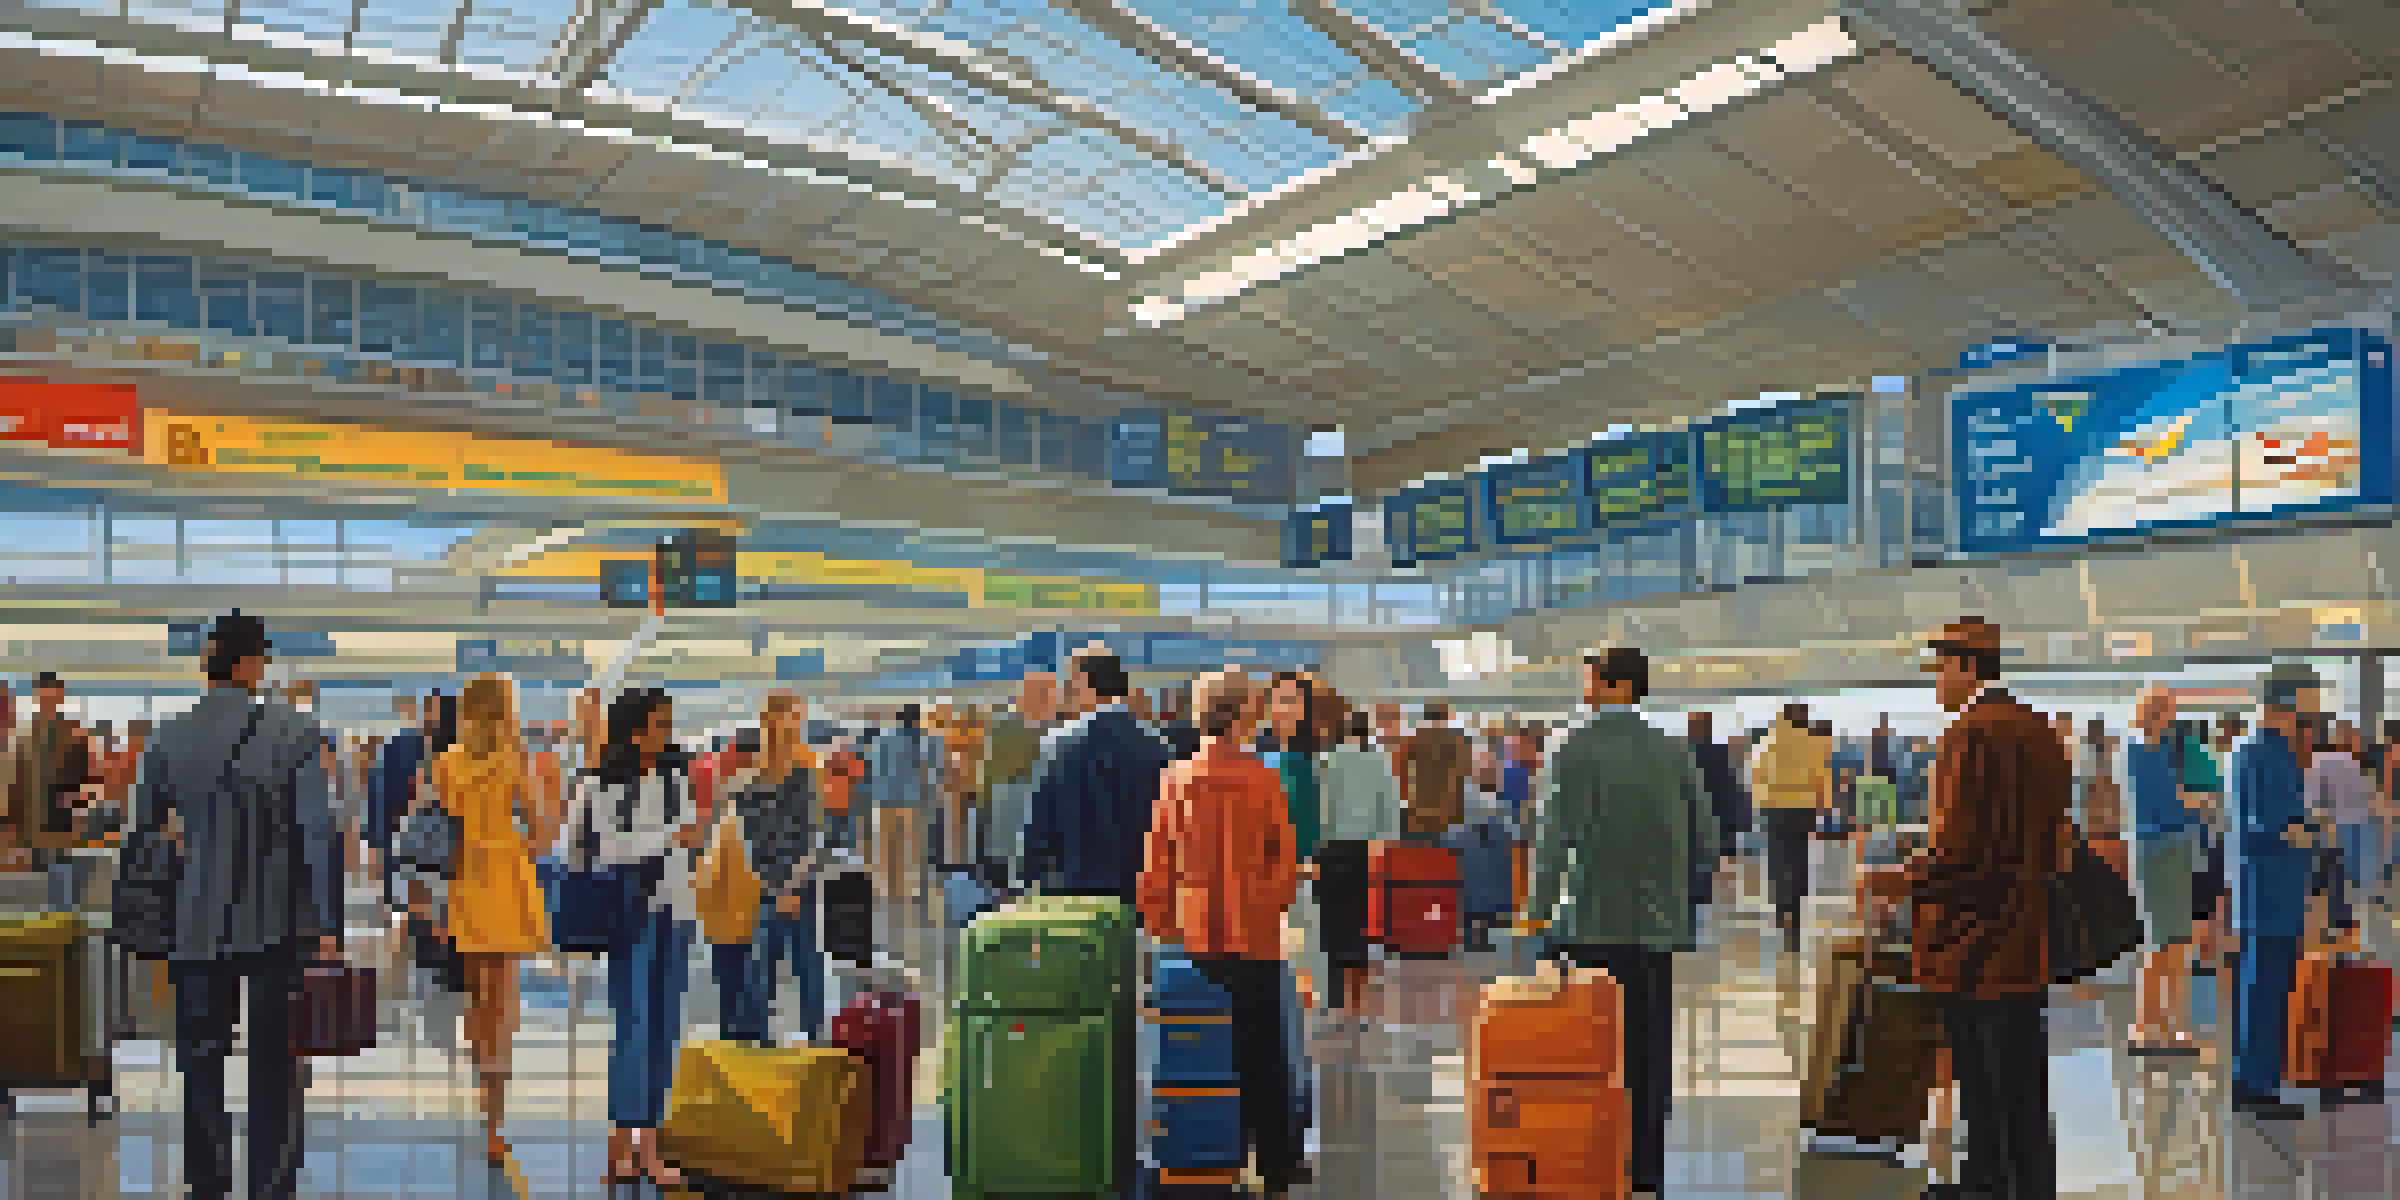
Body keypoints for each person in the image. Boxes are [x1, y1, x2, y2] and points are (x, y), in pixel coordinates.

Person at [135, 611, 341, 1200]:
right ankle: (270, 1184)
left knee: (201, 1055)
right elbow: (317, 831)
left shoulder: (167, 737)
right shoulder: (296, 732)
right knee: (276, 1058)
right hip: (280, 920)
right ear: (251, 663)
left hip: (196, 917)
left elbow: (146, 829)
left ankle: (208, 1178)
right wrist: (328, 921)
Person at [1865, 617, 2068, 1200]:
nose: (1936, 684)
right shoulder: (2038, 728)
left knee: (1980, 1071)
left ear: (1964, 667)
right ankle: (2021, 1183)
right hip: (2025, 932)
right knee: (2022, 1076)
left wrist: (1895, 881)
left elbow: (1956, 851)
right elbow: (2056, 836)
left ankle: (1987, 1184)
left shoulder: (1969, 733)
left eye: (1939, 670)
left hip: (1972, 938)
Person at [1522, 648, 1716, 1197]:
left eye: (1590, 678)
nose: (1583, 688)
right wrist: (1682, 896)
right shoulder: (1673, 749)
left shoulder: (1571, 745)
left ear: (1615, 685)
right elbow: (1705, 833)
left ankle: (1602, 1158)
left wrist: (1537, 913)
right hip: (1658, 925)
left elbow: (1552, 839)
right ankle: (1647, 1168)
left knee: (1597, 1046)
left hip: (1591, 918)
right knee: (1652, 1045)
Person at [1137, 669, 1304, 1200]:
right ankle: (1274, 1166)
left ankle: (1198, 1153)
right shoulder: (1264, 780)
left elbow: (1156, 866)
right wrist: (1266, 908)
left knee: (1194, 1049)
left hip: (1193, 939)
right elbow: (1285, 867)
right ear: (1247, 714)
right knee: (1265, 1055)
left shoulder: (1177, 781)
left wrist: (1165, 926)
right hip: (1254, 939)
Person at [581, 687, 703, 1185]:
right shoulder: (603, 782)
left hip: (675, 910)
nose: (668, 732)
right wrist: (670, 837)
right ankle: (619, 1143)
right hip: (629, 914)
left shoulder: (676, 776)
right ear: (636, 731)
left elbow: (689, 835)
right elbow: (609, 848)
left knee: (663, 1029)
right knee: (633, 1025)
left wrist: (673, 841)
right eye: (660, 723)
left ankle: (649, 1147)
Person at [428, 674, 551, 1164]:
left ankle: (483, 1086)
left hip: (465, 878)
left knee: (478, 999)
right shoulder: (515, 758)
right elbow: (541, 827)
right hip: (507, 876)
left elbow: (438, 827)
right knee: (503, 1003)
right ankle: (495, 1121)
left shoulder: (446, 763)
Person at [2221, 663, 2328, 1120]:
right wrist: (2292, 833)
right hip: (2266, 890)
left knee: (2266, 989)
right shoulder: (2256, 752)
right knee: (2263, 990)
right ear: (2285, 703)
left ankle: (2255, 1079)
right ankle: (2257, 1086)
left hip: (2280, 890)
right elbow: (2250, 828)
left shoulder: (2281, 752)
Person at [1022, 649, 1167, 904]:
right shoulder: (1156, 745)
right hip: (1141, 895)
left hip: (1075, 897)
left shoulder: (1058, 744)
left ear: (1083, 682)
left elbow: (1038, 829)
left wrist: (1030, 886)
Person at [2124, 687, 2202, 1056]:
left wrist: (2188, 808)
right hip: (2160, 854)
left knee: (2170, 944)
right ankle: (2154, 1027)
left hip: (2168, 853)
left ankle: (2165, 1027)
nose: (2171, 718)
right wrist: (2193, 807)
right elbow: (2162, 809)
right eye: (2167, 710)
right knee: (2163, 945)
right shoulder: (2142, 754)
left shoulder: (2156, 753)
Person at [750, 694, 825, 1040]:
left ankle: (814, 1043)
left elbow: (810, 836)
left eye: (798, 719)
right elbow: (747, 835)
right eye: (789, 718)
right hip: (760, 887)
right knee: (762, 974)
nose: (795, 726)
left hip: (797, 886)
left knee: (806, 968)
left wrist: (791, 888)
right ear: (770, 721)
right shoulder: (754, 774)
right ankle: (761, 1046)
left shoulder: (805, 771)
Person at [1317, 705, 1400, 1015]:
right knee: (1362, 926)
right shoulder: (1379, 762)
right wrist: (1386, 847)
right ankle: (1359, 1001)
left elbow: (1322, 810)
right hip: (1367, 853)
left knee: (1332, 925)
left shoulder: (1328, 761)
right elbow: (1390, 812)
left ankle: (1334, 996)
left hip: (1332, 851)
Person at [1750, 703, 1830, 950]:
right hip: (1802, 811)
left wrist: (1761, 803)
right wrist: (1821, 809)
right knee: (1799, 863)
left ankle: (1779, 910)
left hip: (1773, 811)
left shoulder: (1768, 741)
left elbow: (1756, 776)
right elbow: (1821, 779)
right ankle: (1795, 917)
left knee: (1777, 861)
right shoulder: (1812, 744)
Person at [867, 704, 941, 904]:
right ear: (917, 720)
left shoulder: (883, 739)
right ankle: (910, 889)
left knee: (888, 847)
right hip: (912, 802)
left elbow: (874, 770)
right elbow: (929, 774)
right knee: (912, 848)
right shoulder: (925, 741)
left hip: (884, 801)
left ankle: (887, 888)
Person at [1258, 672, 1325, 866]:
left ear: (1304, 707)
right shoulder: (1254, 751)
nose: (1285, 709)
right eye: (1280, 701)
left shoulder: (1318, 755)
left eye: (1292, 701)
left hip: (1304, 860)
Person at [1686, 711, 1748, 901]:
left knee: (1690, 874)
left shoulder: (1682, 755)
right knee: (1704, 877)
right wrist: (1734, 832)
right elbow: (1733, 794)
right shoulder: (1722, 754)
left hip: (1689, 824)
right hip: (1715, 825)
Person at [2310, 721, 2376, 895]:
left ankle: (2347, 893)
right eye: (2350, 735)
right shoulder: (2327, 760)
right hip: (2340, 821)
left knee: (2346, 865)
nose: (2354, 739)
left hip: (2352, 821)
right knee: (2338, 864)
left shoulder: (2350, 761)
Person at [1400, 702, 1470, 838]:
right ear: (1445, 717)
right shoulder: (1457, 740)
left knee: (1421, 837)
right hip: (1449, 801)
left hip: (1421, 800)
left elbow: (1405, 769)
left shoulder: (1415, 739)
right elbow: (1466, 770)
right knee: (1447, 837)